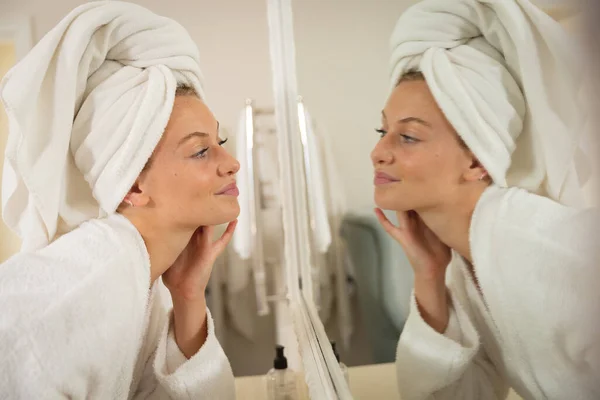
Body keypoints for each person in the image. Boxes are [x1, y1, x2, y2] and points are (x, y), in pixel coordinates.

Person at [0, 2, 239, 399]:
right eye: (201, 151)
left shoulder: (141, 278)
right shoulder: (91, 274)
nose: (232, 163)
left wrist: (187, 295)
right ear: (133, 187)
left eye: (221, 142)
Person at [371, 0, 600, 399]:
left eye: (407, 136)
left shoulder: (562, 251)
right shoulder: (465, 264)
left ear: (477, 159)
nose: (378, 152)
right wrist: (429, 278)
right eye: (383, 129)